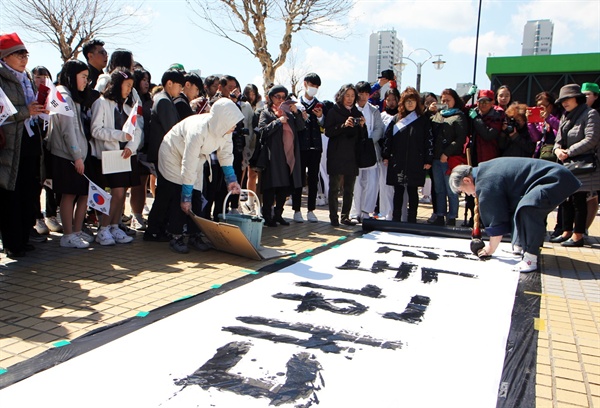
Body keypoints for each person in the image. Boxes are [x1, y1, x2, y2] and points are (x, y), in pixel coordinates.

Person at [450, 158, 581, 272]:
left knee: (528, 208)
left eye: (463, 191)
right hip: (555, 176)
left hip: (555, 178)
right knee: (518, 206)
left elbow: (496, 219)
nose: (467, 194)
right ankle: (520, 245)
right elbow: (508, 209)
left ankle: (530, 259)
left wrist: (490, 249)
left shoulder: (486, 182)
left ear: (467, 180)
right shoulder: (485, 171)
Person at [156, 98, 244, 253]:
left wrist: (231, 179)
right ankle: (176, 236)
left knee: (198, 194)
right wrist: (186, 195)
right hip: (173, 153)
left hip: (194, 158)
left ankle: (194, 234)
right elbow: (188, 164)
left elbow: (226, 155)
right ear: (222, 120)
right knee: (179, 194)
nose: (234, 126)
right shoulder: (198, 130)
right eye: (232, 121)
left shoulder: (225, 130)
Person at [0, 32, 48, 258]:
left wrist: (39, 110)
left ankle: (24, 237)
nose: (23, 59)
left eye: (25, 54)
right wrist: (24, 112)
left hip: (30, 137)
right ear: (4, 57)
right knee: (12, 193)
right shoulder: (1, 79)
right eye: (18, 54)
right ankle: (12, 243)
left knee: (30, 189)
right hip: (10, 143)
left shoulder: (26, 77)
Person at [90, 67, 141, 245]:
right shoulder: (101, 103)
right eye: (127, 85)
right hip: (107, 156)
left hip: (124, 156)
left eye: (131, 86)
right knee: (112, 193)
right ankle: (103, 228)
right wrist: (120, 136)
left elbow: (137, 130)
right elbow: (96, 130)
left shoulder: (127, 106)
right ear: (117, 84)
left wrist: (131, 146)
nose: (129, 89)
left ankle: (113, 226)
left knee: (121, 193)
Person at [47, 60, 92, 248]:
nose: (86, 81)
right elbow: (68, 131)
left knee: (81, 194)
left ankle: (76, 230)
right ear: (72, 76)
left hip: (76, 155)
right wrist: (77, 157)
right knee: (69, 194)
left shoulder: (72, 97)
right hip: (67, 156)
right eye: (83, 77)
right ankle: (68, 234)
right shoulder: (63, 96)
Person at [550, 84, 600, 247]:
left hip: (583, 163)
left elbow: (591, 139)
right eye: (562, 100)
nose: (564, 103)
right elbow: (558, 138)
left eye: (567, 99)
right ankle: (566, 232)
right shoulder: (566, 116)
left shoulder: (591, 114)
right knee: (566, 199)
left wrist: (569, 152)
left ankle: (578, 235)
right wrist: (557, 150)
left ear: (577, 98)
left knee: (579, 200)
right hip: (566, 163)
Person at [382, 87, 433, 223]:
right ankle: (396, 217)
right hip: (398, 161)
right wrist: (386, 155)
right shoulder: (396, 119)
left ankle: (412, 218)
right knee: (398, 190)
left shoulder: (422, 120)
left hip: (416, 160)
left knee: (412, 190)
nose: (410, 103)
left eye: (413, 101)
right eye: (407, 101)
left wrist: (428, 159)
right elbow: (388, 138)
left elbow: (428, 141)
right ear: (403, 102)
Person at [257, 85, 304, 227]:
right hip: (273, 155)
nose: (281, 100)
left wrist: (297, 114)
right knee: (270, 187)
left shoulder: (289, 114)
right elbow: (262, 131)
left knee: (285, 186)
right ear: (271, 98)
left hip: (289, 155)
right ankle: (267, 215)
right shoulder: (266, 113)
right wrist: (278, 122)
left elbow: (301, 127)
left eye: (284, 97)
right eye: (278, 97)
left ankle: (278, 214)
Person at [324, 83, 366, 226]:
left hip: (352, 154)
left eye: (352, 96)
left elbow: (362, 137)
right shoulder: (333, 111)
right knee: (334, 187)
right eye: (347, 96)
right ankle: (333, 217)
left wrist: (362, 125)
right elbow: (328, 131)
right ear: (341, 96)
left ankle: (345, 216)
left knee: (349, 188)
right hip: (336, 153)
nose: (349, 99)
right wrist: (343, 125)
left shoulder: (357, 113)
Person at [31, 65, 63, 236]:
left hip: (52, 144)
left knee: (51, 182)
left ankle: (51, 215)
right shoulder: (29, 96)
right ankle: (38, 218)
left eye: (45, 77)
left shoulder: (55, 96)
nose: (42, 80)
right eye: (38, 77)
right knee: (37, 183)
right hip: (36, 144)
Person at [429, 88, 468, 226]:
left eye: (448, 100)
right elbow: (428, 128)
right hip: (436, 158)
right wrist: (430, 111)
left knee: (451, 189)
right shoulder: (437, 115)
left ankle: (452, 216)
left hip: (450, 159)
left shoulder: (459, 116)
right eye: (443, 100)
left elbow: (460, 138)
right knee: (439, 189)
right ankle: (440, 214)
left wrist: (447, 153)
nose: (445, 102)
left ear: (454, 100)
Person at [291, 73, 325, 223]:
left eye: (317, 87)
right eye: (312, 85)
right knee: (298, 178)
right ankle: (296, 210)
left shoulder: (320, 105)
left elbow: (325, 125)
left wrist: (320, 117)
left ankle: (311, 210)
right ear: (305, 84)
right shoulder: (296, 104)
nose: (314, 89)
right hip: (300, 147)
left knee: (313, 179)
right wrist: (298, 115)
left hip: (316, 147)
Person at [350, 81, 384, 223]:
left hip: (370, 150)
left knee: (371, 182)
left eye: (366, 94)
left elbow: (379, 129)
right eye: (360, 94)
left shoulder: (374, 110)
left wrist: (369, 142)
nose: (363, 97)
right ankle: (354, 212)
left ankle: (365, 211)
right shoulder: (351, 110)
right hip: (354, 151)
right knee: (355, 183)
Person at [378, 88, 400, 221]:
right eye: (389, 100)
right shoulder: (382, 116)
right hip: (385, 156)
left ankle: (397, 213)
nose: (391, 103)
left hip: (399, 156)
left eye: (394, 100)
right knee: (384, 185)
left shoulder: (403, 116)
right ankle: (385, 212)